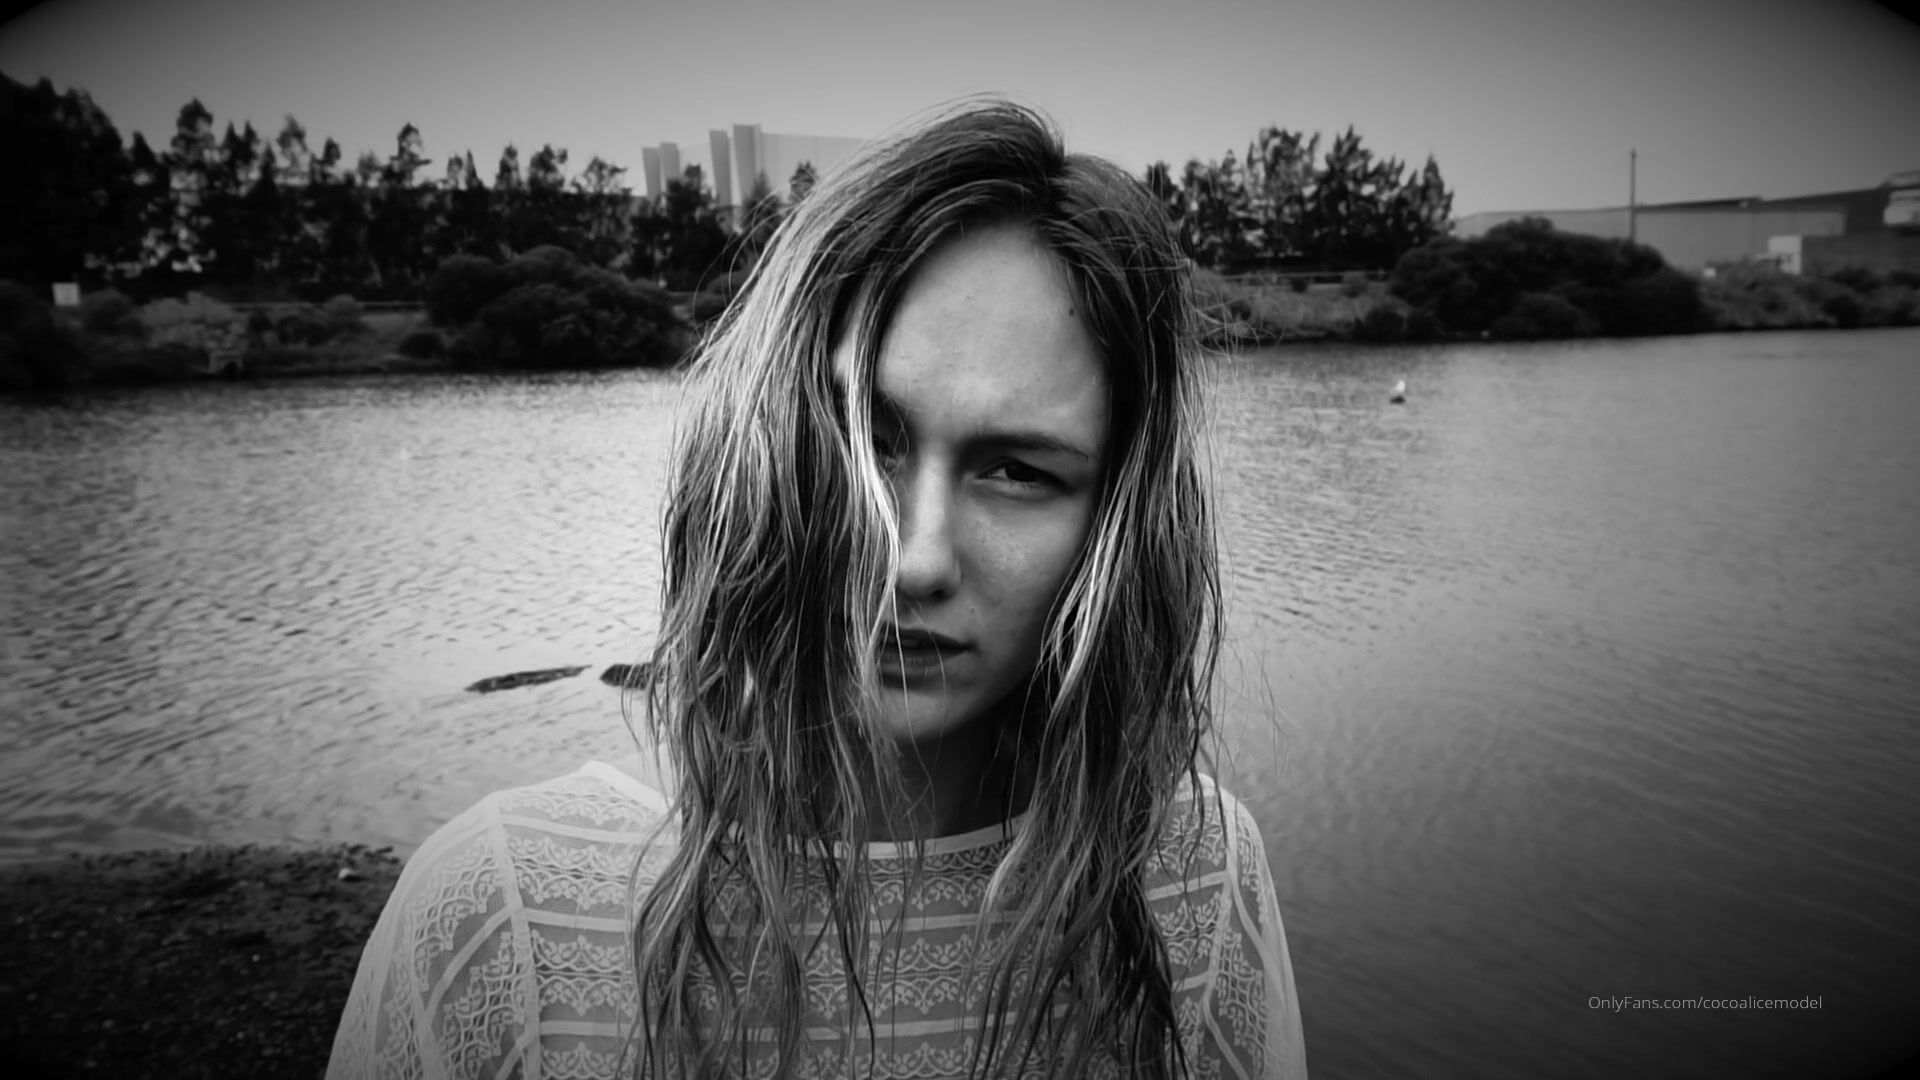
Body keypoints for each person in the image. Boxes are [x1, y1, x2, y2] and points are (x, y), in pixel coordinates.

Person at [328, 99, 1307, 1079]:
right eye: (866, 442)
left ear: (1114, 524)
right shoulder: (504, 914)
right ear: (762, 451)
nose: (917, 559)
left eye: (1017, 471)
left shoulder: (1193, 877)